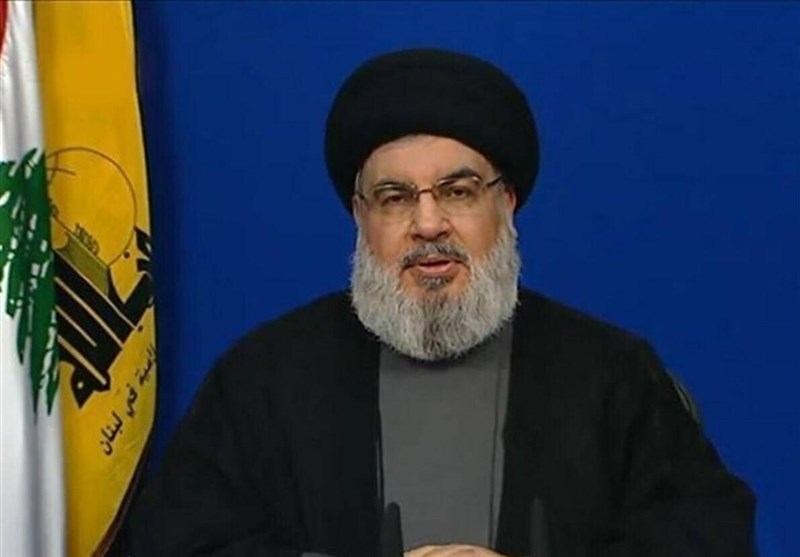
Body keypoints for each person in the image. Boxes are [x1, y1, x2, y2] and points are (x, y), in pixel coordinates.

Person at [129, 48, 756, 557]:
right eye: (395, 198)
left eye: (458, 191)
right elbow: (176, 543)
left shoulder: (613, 373)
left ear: (506, 203)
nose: (428, 224)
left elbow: (711, 538)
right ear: (360, 216)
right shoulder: (264, 377)